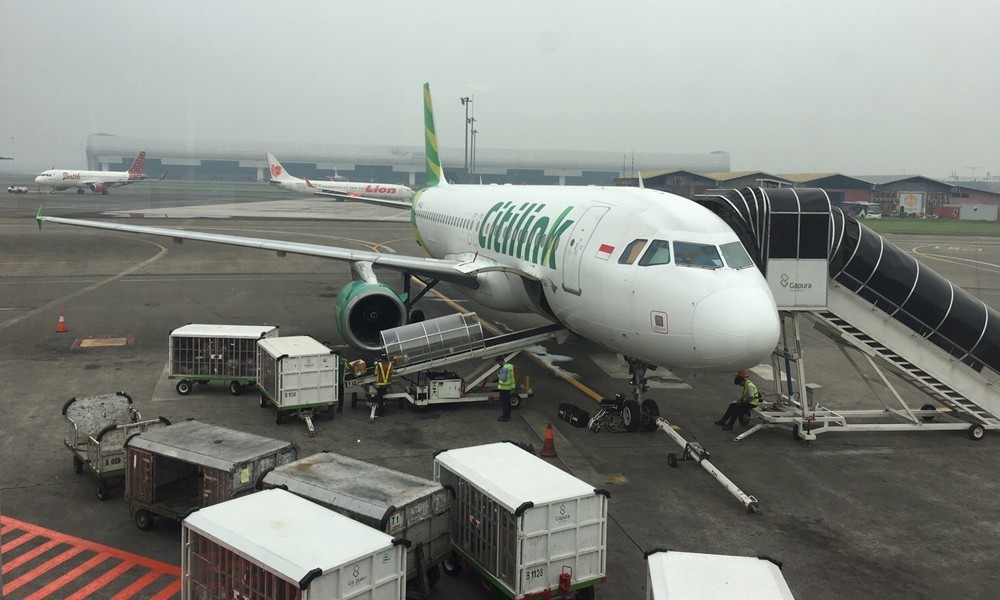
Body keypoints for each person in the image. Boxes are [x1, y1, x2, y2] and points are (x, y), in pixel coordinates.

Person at [496, 356, 515, 422]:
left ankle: (504, 416)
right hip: (508, 387)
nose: (498, 364)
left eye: (498, 363)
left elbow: (504, 379)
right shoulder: (510, 366)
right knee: (507, 402)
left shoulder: (504, 368)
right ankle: (508, 415)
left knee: (504, 403)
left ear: (501, 361)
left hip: (503, 388)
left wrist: (498, 375)